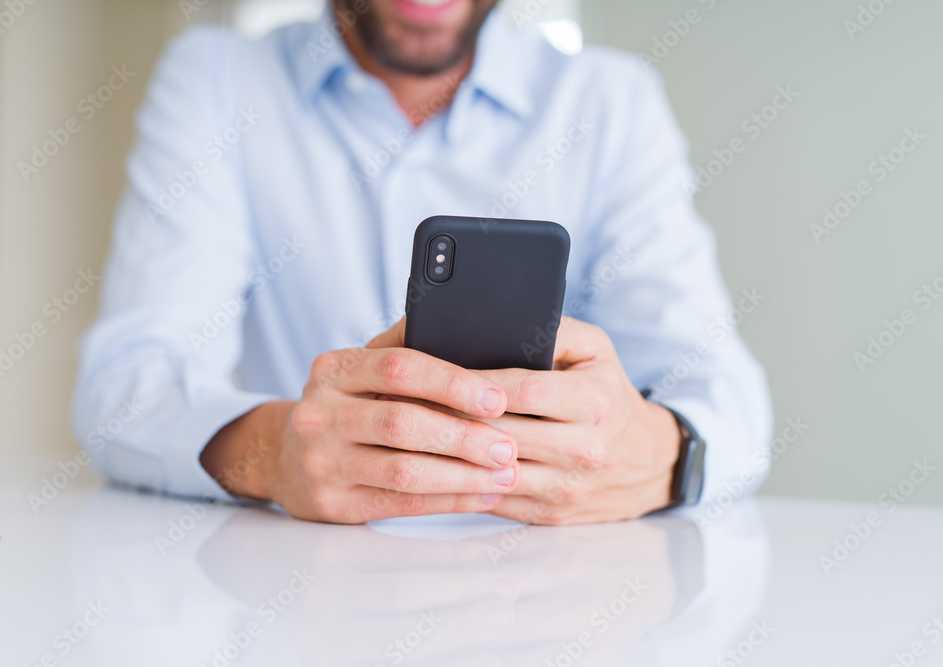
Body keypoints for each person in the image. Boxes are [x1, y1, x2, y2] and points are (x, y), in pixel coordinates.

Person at [72, 0, 773, 525]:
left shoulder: (610, 101)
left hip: (548, 612)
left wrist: (659, 453)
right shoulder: (218, 80)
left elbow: (726, 393)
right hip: (301, 596)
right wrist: (275, 452)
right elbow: (125, 388)